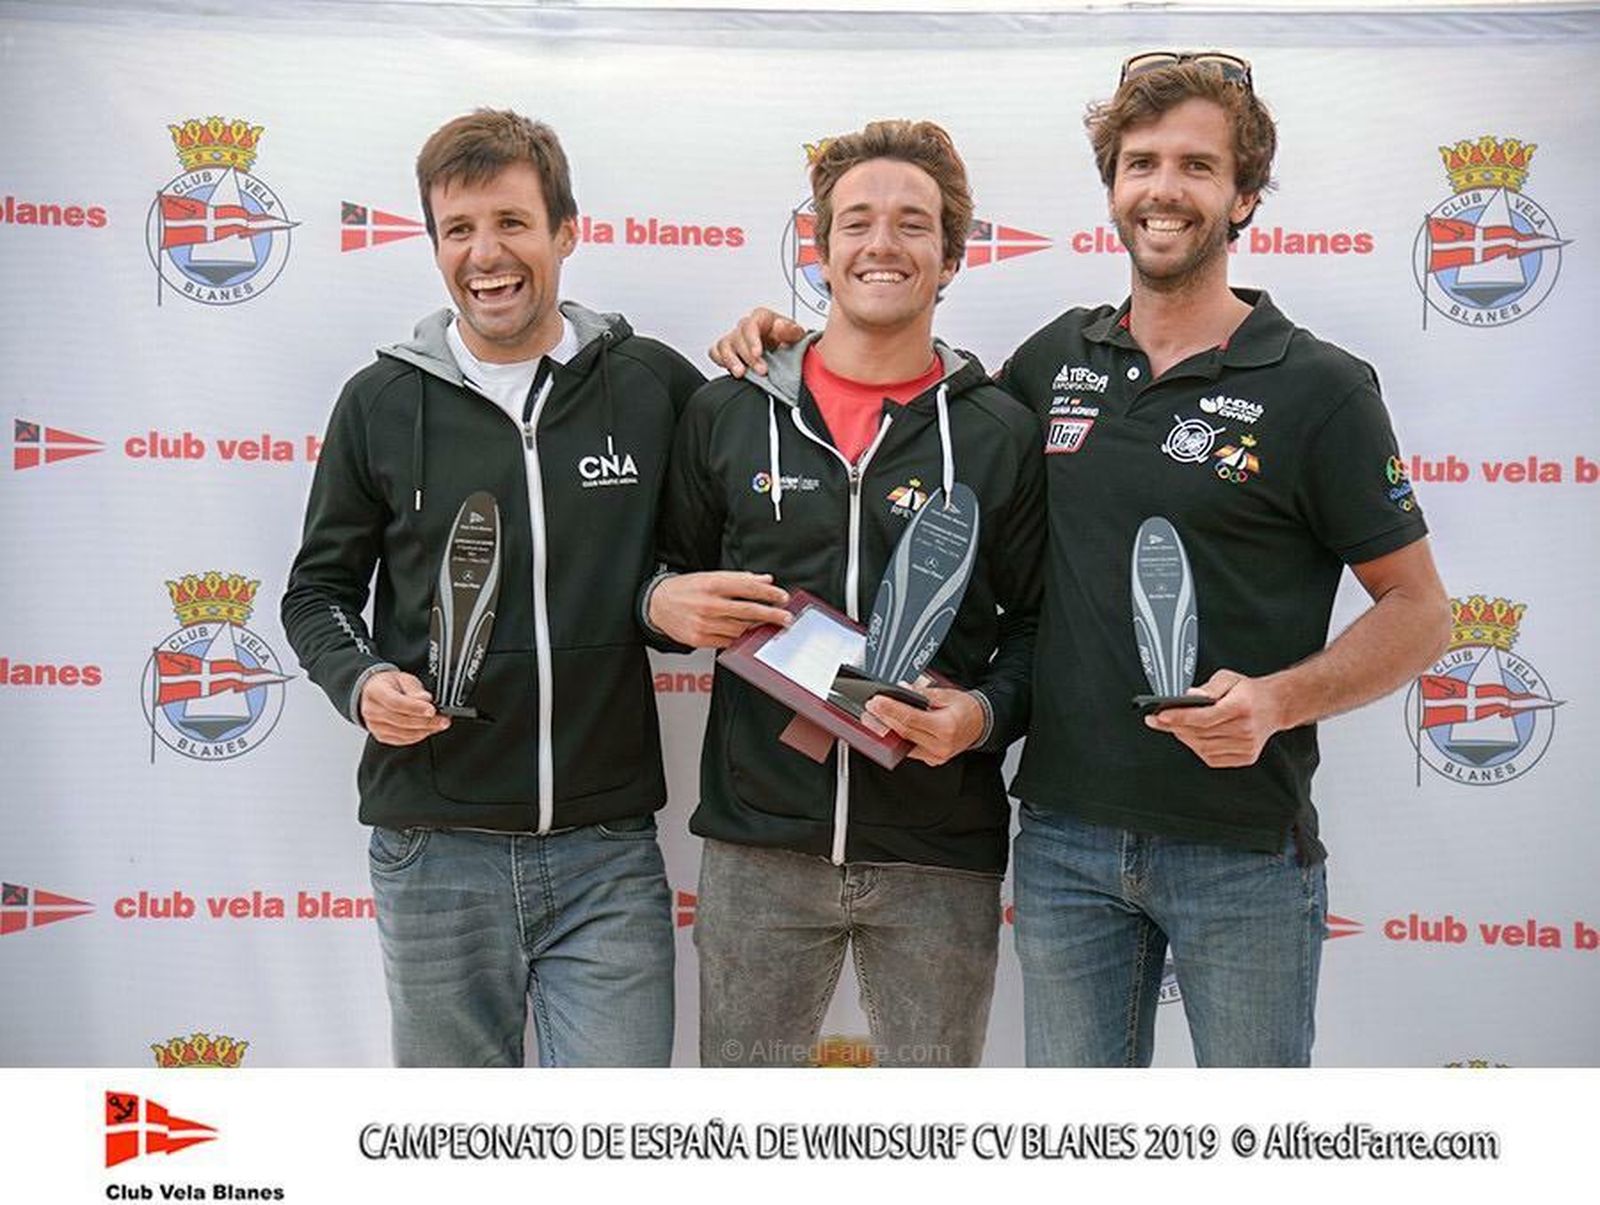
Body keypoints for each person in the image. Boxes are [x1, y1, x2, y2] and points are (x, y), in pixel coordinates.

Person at [709, 55, 1450, 1067]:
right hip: (1064, 844)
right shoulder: (1057, 361)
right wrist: (788, 346)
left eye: (1196, 166)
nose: (1163, 188)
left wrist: (1278, 700)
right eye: (1141, 163)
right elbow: (910, 388)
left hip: (1239, 848)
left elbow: (1421, 611)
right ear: (1111, 189)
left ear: (1243, 197)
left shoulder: (1320, 387)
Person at [281, 109, 703, 1067]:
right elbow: (317, 593)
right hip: (433, 847)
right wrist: (360, 680)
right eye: (458, 229)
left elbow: (716, 535)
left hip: (605, 850)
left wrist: (779, 343)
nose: (486, 255)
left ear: (566, 231)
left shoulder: (648, 383)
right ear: (435, 245)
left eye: (512, 222)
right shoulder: (380, 401)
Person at [649, 120, 1045, 1068]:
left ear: (952, 257)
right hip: (759, 850)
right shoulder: (726, 411)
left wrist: (984, 715)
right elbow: (658, 580)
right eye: (857, 221)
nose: (882, 244)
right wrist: (660, 603)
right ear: (820, 252)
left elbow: (1043, 628)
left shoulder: (999, 433)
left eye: (913, 224)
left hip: (937, 853)